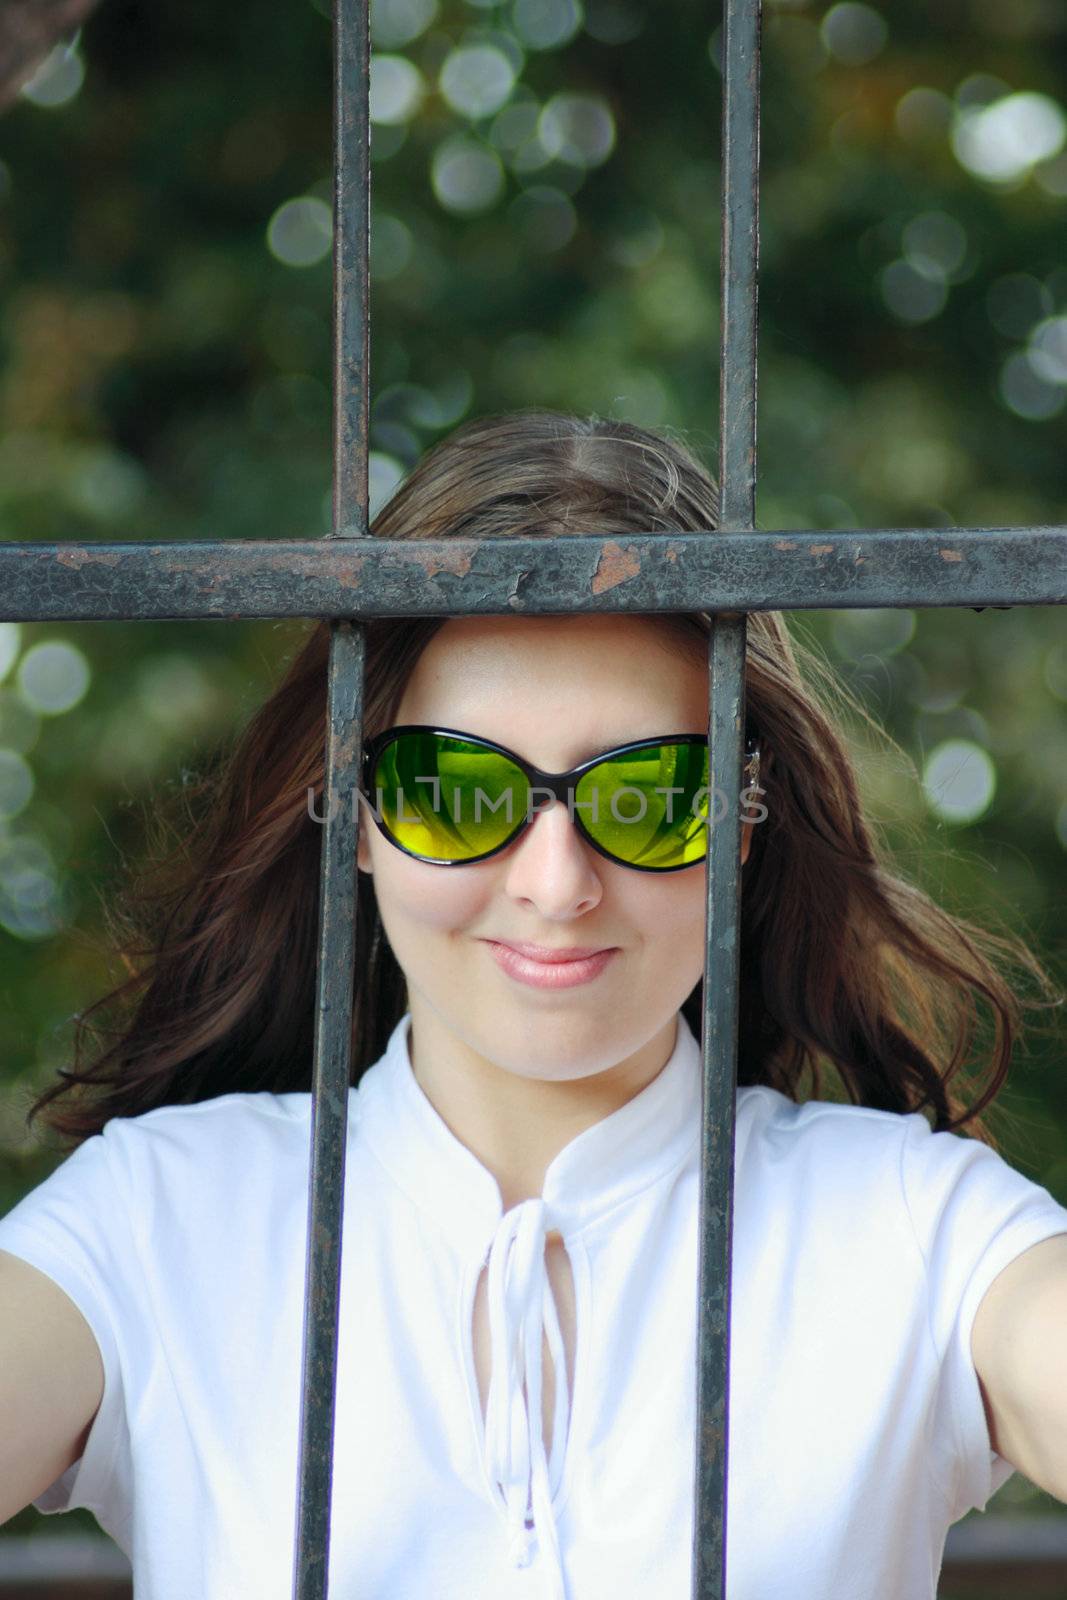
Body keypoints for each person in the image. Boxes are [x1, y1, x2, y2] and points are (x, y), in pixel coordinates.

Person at [1, 409, 1065, 1599]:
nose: (554, 885)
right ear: (351, 812)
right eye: (456, 792)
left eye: (650, 798)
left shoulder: (911, 1229)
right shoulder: (161, 1218)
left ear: (747, 823)